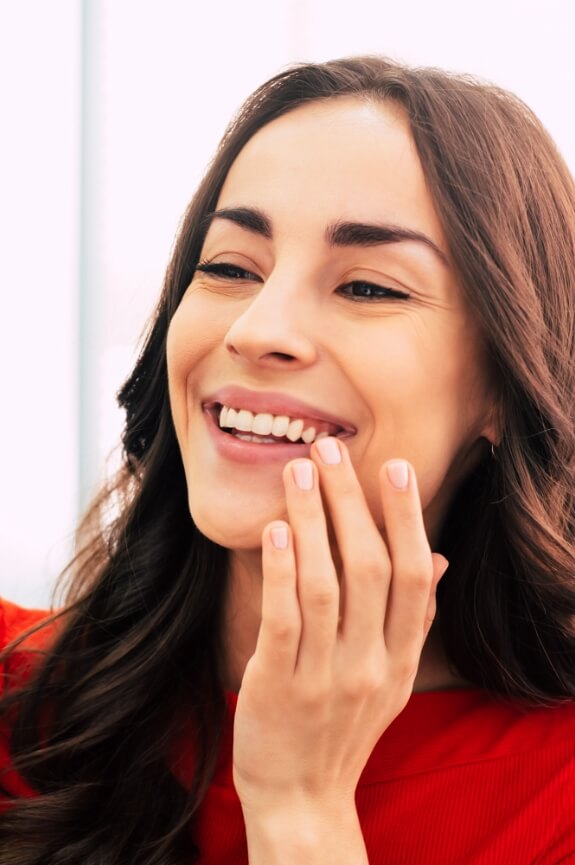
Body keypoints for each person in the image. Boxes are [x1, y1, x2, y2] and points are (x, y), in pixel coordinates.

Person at [1, 55, 575, 865]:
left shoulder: (557, 794)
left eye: (368, 287)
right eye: (229, 268)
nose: (255, 329)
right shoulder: (16, 699)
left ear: (504, 386)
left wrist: (300, 812)